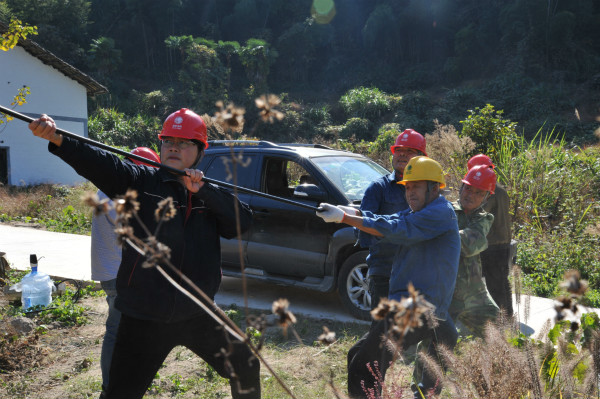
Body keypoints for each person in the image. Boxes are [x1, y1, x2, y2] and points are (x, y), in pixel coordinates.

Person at [28, 109, 260, 399]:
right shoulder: (141, 182)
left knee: (245, 364)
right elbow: (102, 163)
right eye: (169, 141)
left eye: (185, 142)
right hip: (143, 317)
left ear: (201, 150)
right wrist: (59, 138)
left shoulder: (207, 194)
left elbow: (242, 223)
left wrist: (204, 192)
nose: (174, 147)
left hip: (198, 312)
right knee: (120, 394)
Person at [316, 156, 460, 399]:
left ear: (434, 188)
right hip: (408, 305)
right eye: (407, 187)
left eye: (416, 186)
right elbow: (394, 219)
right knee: (358, 354)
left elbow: (396, 229)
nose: (410, 192)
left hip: (418, 308)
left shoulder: (439, 213)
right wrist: (350, 211)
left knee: (365, 366)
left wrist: (345, 219)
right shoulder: (424, 210)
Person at [91, 146, 161, 393]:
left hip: (110, 272)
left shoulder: (106, 189)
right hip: (119, 276)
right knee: (117, 332)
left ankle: (122, 381)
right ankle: (111, 386)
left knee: (124, 330)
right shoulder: (120, 197)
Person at [357, 129, 426, 311]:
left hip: (418, 271)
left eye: (409, 151)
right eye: (398, 150)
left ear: (421, 158)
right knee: (382, 329)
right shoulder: (378, 188)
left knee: (412, 328)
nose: (402, 154)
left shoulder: (429, 190)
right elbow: (362, 231)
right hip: (384, 272)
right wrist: (391, 231)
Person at [448, 165, 500, 338]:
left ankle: (487, 365)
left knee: (496, 331)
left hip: (474, 292)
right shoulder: (444, 210)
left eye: (478, 193)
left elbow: (471, 243)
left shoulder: (485, 218)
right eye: (468, 189)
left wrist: (441, 235)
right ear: (461, 187)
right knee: (435, 340)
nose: (470, 195)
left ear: (486, 197)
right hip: (446, 290)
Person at [468, 154, 514, 315]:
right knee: (502, 282)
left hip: (492, 245)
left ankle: (503, 321)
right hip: (504, 243)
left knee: (495, 285)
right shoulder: (501, 189)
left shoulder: (489, 191)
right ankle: (508, 315)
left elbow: (477, 213)